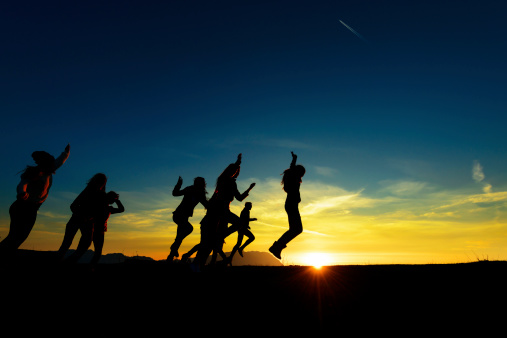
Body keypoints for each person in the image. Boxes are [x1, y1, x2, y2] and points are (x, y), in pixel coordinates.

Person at [0, 144, 70, 257]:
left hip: (31, 208)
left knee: (19, 236)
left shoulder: (48, 171)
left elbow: (60, 161)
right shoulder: (34, 173)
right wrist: (22, 193)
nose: (53, 165)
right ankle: (4, 257)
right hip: (23, 206)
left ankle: (5, 257)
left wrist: (66, 153)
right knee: (16, 236)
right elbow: (22, 184)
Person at [192, 154, 255, 269]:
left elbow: (239, 198)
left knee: (208, 243)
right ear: (232, 171)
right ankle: (218, 239)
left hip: (220, 210)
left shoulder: (223, 180)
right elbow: (239, 198)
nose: (236, 172)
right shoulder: (228, 181)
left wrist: (238, 162)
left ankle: (197, 264)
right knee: (210, 242)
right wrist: (238, 163)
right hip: (221, 210)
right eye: (235, 170)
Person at [59, 173, 108, 264]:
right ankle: (65, 261)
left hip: (85, 221)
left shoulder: (100, 194)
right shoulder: (90, 191)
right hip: (80, 220)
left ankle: (68, 261)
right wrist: (83, 216)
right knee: (68, 243)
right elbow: (73, 205)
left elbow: (101, 211)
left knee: (78, 243)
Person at [269, 151, 305, 259]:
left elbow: (292, 168)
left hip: (291, 204)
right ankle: (276, 246)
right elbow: (292, 168)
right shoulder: (293, 177)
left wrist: (294, 159)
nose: (302, 176)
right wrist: (294, 159)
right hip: (291, 204)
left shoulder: (293, 178)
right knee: (297, 229)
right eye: (302, 173)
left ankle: (277, 246)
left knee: (295, 229)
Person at [167, 176, 208, 261]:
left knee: (179, 236)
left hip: (183, 217)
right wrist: (178, 185)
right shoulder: (190, 189)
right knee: (189, 229)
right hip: (178, 215)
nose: (197, 184)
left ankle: (171, 255)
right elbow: (175, 193)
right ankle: (174, 247)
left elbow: (206, 204)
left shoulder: (199, 193)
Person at [90, 191, 125, 266]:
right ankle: (91, 268)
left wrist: (116, 200)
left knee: (97, 252)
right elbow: (121, 209)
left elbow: (121, 209)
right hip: (97, 230)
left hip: (98, 230)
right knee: (98, 252)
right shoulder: (105, 207)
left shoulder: (107, 208)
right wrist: (117, 201)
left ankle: (91, 267)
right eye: (114, 198)